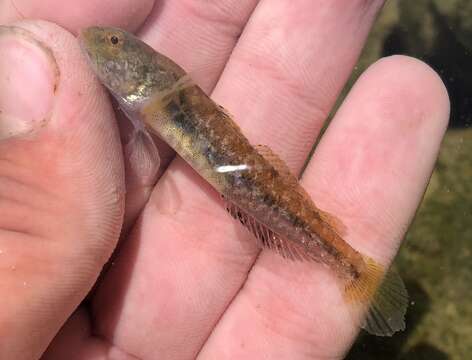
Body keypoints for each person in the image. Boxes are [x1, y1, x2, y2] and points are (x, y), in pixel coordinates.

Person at [0, 1, 449, 359]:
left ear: (146, 70)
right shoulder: (155, 93)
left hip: (247, 183)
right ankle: (345, 260)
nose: (103, 44)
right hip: (240, 178)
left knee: (266, 196)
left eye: (115, 42)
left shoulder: (159, 93)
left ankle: (349, 265)